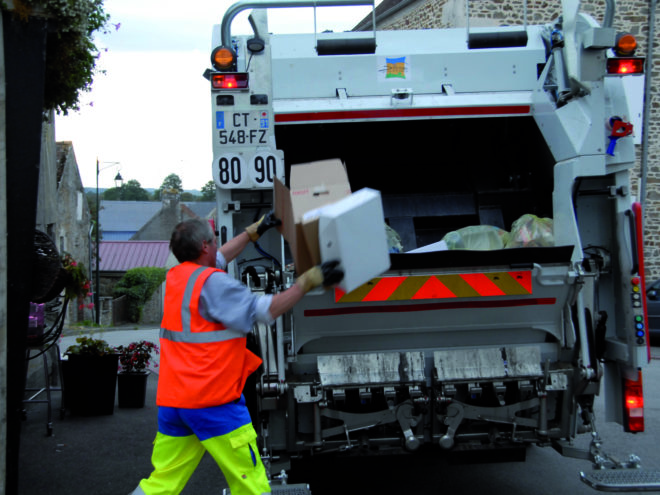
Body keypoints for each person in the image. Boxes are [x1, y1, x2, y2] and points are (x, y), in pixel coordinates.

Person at [130, 214, 343, 495]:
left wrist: (253, 232)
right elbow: (266, 310)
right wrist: (306, 282)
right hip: (213, 402)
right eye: (213, 239)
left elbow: (219, 258)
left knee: (161, 483)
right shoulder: (215, 285)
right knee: (250, 483)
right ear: (204, 246)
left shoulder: (179, 277)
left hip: (175, 401)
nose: (217, 244)